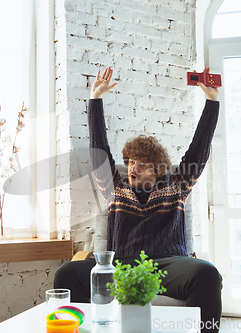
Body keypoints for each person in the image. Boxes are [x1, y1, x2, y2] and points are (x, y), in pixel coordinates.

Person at [54, 66, 222, 332]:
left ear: (156, 169)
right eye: (131, 162)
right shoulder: (115, 187)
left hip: (167, 265)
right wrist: (95, 98)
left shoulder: (177, 185)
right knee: (66, 273)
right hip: (122, 265)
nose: (132, 168)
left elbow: (198, 151)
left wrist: (212, 102)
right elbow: (99, 147)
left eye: (141, 164)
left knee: (207, 273)